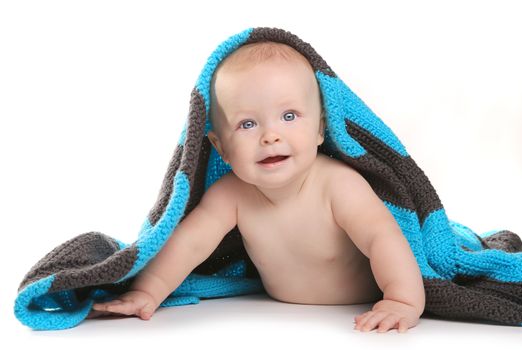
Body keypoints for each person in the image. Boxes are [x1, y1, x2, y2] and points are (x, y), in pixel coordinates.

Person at [90, 42, 425, 333]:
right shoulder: (231, 194)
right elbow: (189, 245)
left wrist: (400, 299)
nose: (270, 135)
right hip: (273, 319)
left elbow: (382, 237)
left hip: (354, 312)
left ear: (322, 129)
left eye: (289, 116)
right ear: (220, 148)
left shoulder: (338, 186)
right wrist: (148, 291)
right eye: (247, 124)